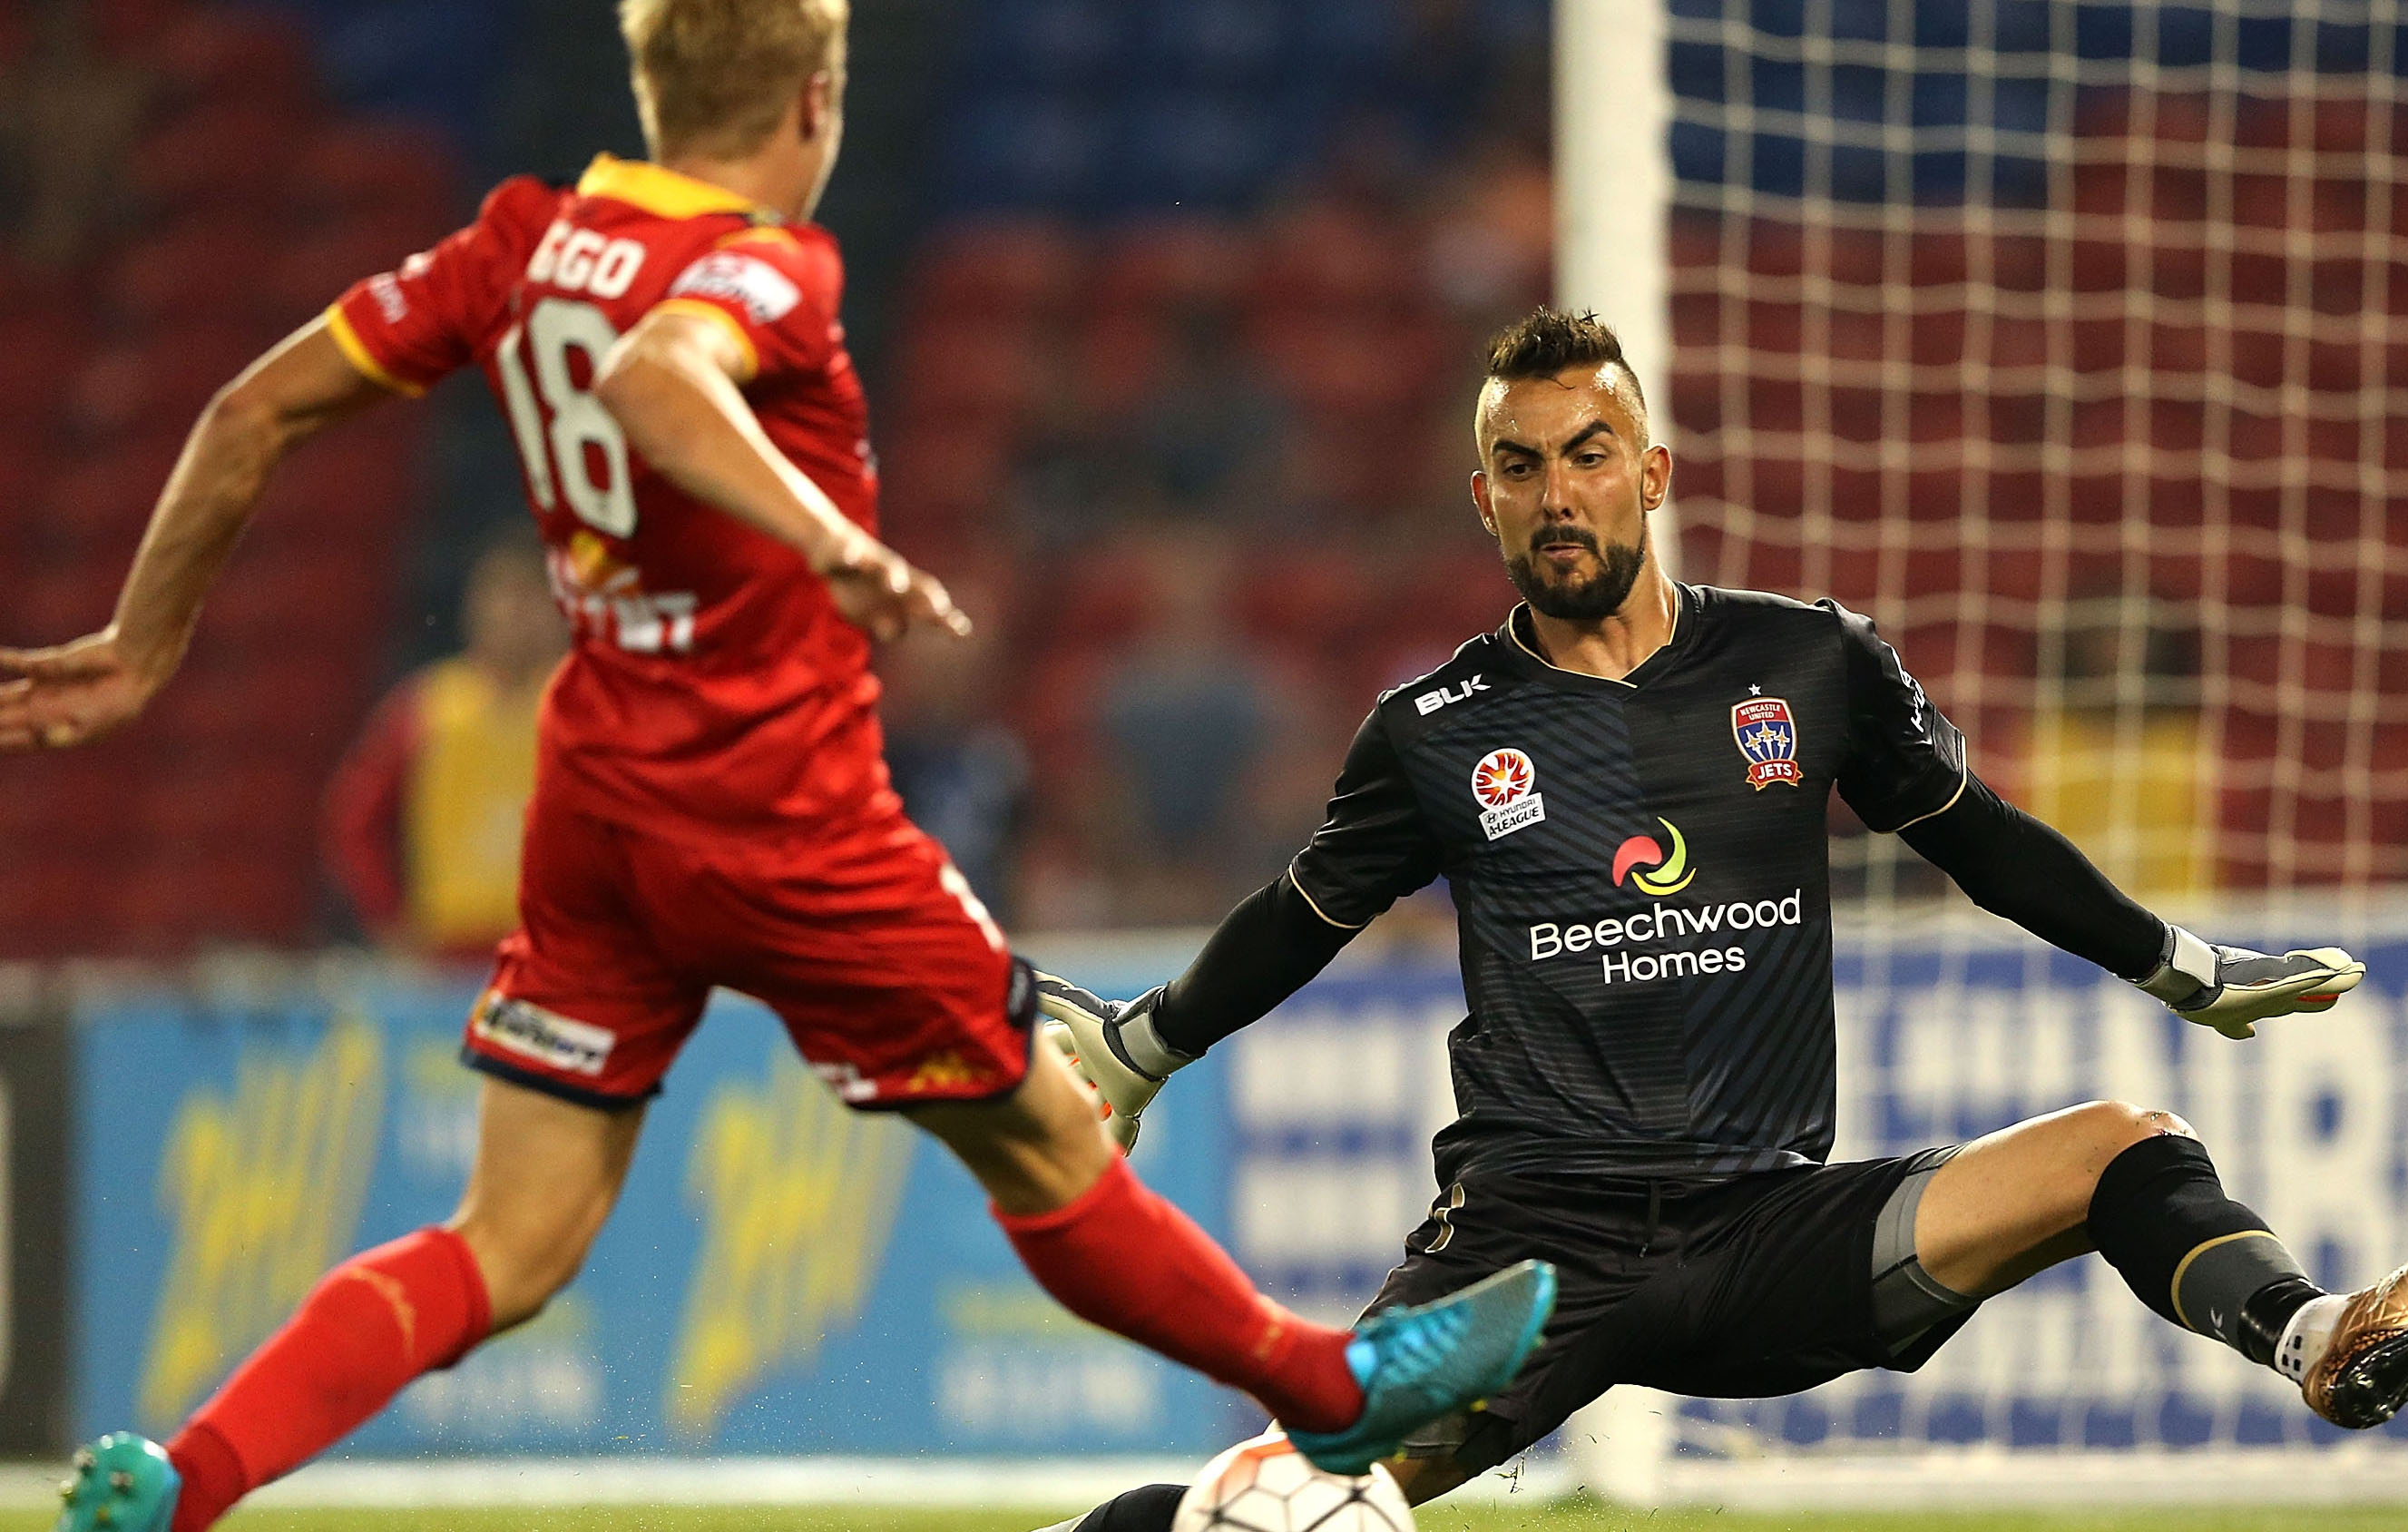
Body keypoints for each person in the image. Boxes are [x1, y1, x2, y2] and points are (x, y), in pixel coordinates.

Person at [1, 6, 1551, 1528]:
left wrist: (142, 648)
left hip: (599, 807)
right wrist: (833, 542)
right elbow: (662, 378)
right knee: (1047, 1130)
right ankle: (1337, 1390)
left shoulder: (518, 244)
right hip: (779, 813)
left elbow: (245, 405)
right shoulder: (769, 264)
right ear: (815, 101)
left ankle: (180, 1480)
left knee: (509, 1238)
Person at [1033, 309, 2408, 1529]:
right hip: (1534, 1253)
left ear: (1654, 469)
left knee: (2121, 1147)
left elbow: (1980, 839)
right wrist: (1149, 1045)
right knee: (1302, 1503)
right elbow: (1306, 911)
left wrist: (2183, 967)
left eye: (1589, 452)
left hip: (1767, 1229)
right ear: (1480, 495)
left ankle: (2322, 1337)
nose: (1560, 493)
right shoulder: (1435, 728)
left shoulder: (1809, 664)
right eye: (1520, 463)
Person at [323, 530, 569, 958]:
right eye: (505, 596)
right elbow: (353, 823)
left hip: (557, 946)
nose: (517, 615)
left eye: (532, 597)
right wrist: (389, 922)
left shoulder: (586, 707)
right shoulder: (427, 706)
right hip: (450, 949)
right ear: (475, 606)